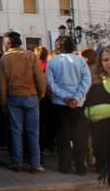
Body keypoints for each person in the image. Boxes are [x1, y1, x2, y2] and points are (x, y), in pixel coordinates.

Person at [0, 31, 46, 173]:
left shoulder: (3, 60)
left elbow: (2, 84)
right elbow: (40, 77)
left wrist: (3, 102)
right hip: (31, 96)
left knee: (16, 131)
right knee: (33, 132)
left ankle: (17, 162)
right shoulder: (31, 56)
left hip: (13, 97)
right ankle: (35, 164)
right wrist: (41, 93)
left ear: (7, 44)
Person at [46, 35, 91, 175]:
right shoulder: (81, 61)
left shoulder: (52, 61)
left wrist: (64, 97)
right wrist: (77, 97)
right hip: (77, 104)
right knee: (79, 136)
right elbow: (86, 80)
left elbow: (50, 82)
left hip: (60, 103)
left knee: (62, 136)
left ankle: (64, 165)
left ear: (57, 46)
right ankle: (80, 166)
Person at [84, 46, 110, 183]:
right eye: (105, 60)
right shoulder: (96, 85)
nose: (108, 63)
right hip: (103, 139)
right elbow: (89, 112)